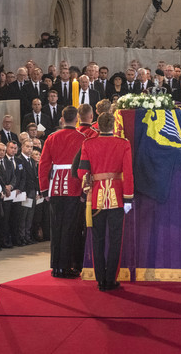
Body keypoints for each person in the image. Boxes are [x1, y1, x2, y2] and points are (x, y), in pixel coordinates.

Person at [77, 113, 133, 291]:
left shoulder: (88, 143)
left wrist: (88, 183)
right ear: (114, 125)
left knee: (98, 239)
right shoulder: (123, 143)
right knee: (116, 239)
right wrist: (128, 197)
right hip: (117, 196)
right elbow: (128, 172)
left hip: (96, 197)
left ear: (98, 126)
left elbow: (81, 171)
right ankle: (111, 279)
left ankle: (100, 278)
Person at [38, 106, 87, 278]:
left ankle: (56, 266)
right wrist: (84, 190)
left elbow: (43, 165)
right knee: (70, 228)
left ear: (62, 118)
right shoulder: (82, 138)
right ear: (77, 120)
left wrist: (44, 189)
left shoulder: (51, 137)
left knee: (56, 227)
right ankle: (66, 266)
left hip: (55, 186)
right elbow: (83, 165)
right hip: (74, 185)